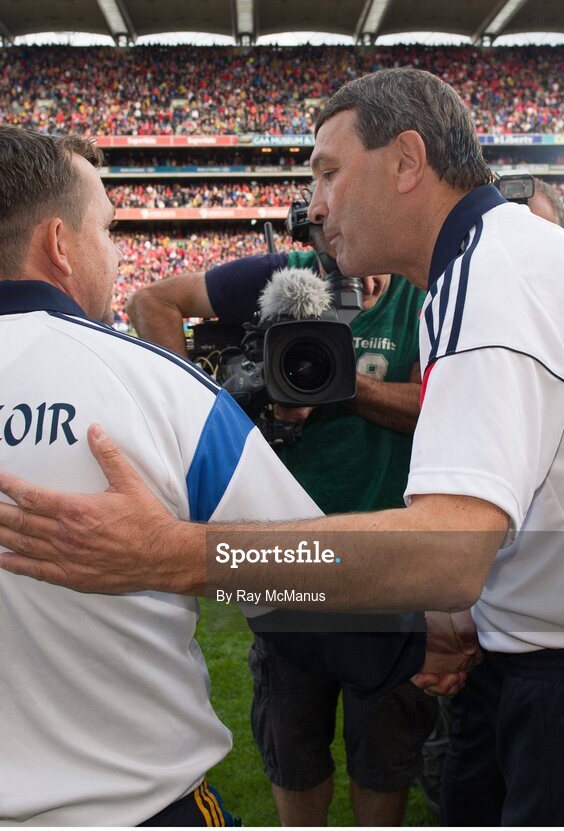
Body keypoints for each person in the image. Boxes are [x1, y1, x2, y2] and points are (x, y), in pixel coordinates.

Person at [0, 69, 564, 826]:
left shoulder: (490, 281)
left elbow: (448, 551)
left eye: (330, 172)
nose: (315, 204)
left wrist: (178, 553)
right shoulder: (509, 255)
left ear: (408, 161)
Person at [0, 124, 357, 826]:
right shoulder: (161, 389)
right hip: (136, 808)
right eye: (107, 229)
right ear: (59, 245)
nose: (116, 254)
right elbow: (319, 593)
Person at [128, 228, 435, 825]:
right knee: (292, 742)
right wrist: (204, 402)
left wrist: (339, 383)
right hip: (285, 557)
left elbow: (432, 405)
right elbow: (151, 302)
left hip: (387, 557)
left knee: (385, 749)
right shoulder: (278, 274)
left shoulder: (421, 294)